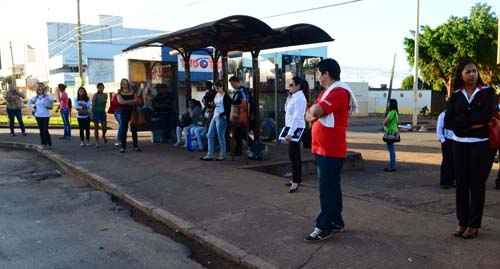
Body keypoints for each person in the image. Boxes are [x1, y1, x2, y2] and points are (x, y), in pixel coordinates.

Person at [304, 58, 358, 242]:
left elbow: (315, 112)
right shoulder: (327, 92)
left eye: (319, 73)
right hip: (322, 148)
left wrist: (313, 113)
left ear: (326, 74)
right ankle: (336, 221)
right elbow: (308, 114)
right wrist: (312, 113)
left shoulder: (339, 92)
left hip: (330, 150)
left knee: (327, 190)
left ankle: (323, 226)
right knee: (331, 188)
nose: (317, 77)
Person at [445, 59, 496, 239]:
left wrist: (464, 122)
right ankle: (462, 223)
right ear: (461, 74)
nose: (472, 74)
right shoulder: (456, 95)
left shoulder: (488, 92)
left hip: (480, 144)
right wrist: (472, 123)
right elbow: (449, 120)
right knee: (461, 185)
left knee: (477, 184)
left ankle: (474, 225)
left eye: (474, 71)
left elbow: (487, 115)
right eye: (468, 71)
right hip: (459, 144)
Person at [284, 77, 308, 193]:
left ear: (298, 86)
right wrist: (289, 97)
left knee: (294, 155)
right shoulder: (294, 97)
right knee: (293, 155)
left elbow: (297, 117)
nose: (289, 87)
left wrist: (290, 133)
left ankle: (296, 181)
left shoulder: (300, 98)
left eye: (291, 85)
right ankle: (296, 178)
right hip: (291, 127)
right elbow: (287, 111)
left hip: (296, 128)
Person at [201, 80, 231, 161]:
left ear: (221, 87)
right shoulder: (217, 94)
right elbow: (215, 104)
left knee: (220, 136)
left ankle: (222, 154)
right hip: (215, 115)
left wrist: (222, 114)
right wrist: (211, 107)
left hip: (221, 117)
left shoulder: (226, 96)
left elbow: (228, 108)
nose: (216, 89)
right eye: (215, 88)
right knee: (210, 134)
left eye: (217, 88)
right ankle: (209, 154)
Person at [116, 78, 141, 153]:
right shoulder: (119, 93)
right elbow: (121, 102)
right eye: (123, 83)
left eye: (126, 83)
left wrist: (127, 102)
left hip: (133, 111)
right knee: (124, 129)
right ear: (121, 85)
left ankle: (135, 146)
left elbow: (137, 100)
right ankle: (123, 147)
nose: (125, 84)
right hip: (124, 112)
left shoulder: (133, 92)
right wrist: (131, 101)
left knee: (134, 129)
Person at [28, 83, 54, 148]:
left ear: (43, 90)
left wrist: (46, 94)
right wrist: (33, 107)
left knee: (45, 130)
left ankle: (48, 143)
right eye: (39, 89)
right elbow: (29, 103)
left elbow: (51, 100)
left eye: (41, 88)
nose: (40, 89)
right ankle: (43, 143)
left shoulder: (47, 96)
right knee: (41, 130)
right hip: (38, 116)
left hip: (45, 116)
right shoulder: (35, 98)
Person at [229, 76, 249, 156]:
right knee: (237, 133)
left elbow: (245, 102)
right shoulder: (237, 92)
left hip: (241, 115)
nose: (232, 86)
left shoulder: (242, 91)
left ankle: (251, 147)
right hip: (237, 114)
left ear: (236, 82)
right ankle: (238, 150)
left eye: (232, 84)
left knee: (242, 133)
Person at [436, 110, 455, 189]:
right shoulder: (443, 114)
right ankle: (445, 181)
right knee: (447, 160)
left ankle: (452, 180)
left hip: (457, 140)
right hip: (447, 140)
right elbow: (439, 127)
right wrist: (442, 139)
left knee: (455, 161)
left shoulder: (458, 113)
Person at [383, 99, 399, 172]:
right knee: (392, 150)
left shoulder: (391, 112)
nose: (388, 105)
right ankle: (392, 166)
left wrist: (385, 121)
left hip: (390, 133)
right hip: (394, 132)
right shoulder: (395, 113)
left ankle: (392, 167)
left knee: (391, 150)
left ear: (391, 104)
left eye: (388, 103)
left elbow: (385, 122)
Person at [92, 83, 108, 147]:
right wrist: (92, 113)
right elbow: (93, 105)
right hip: (96, 112)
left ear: (103, 88)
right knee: (96, 128)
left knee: (104, 127)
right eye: (100, 87)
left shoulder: (105, 95)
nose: (101, 88)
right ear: (97, 88)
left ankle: (103, 135)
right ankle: (97, 141)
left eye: (102, 87)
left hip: (103, 112)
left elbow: (105, 103)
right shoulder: (95, 95)